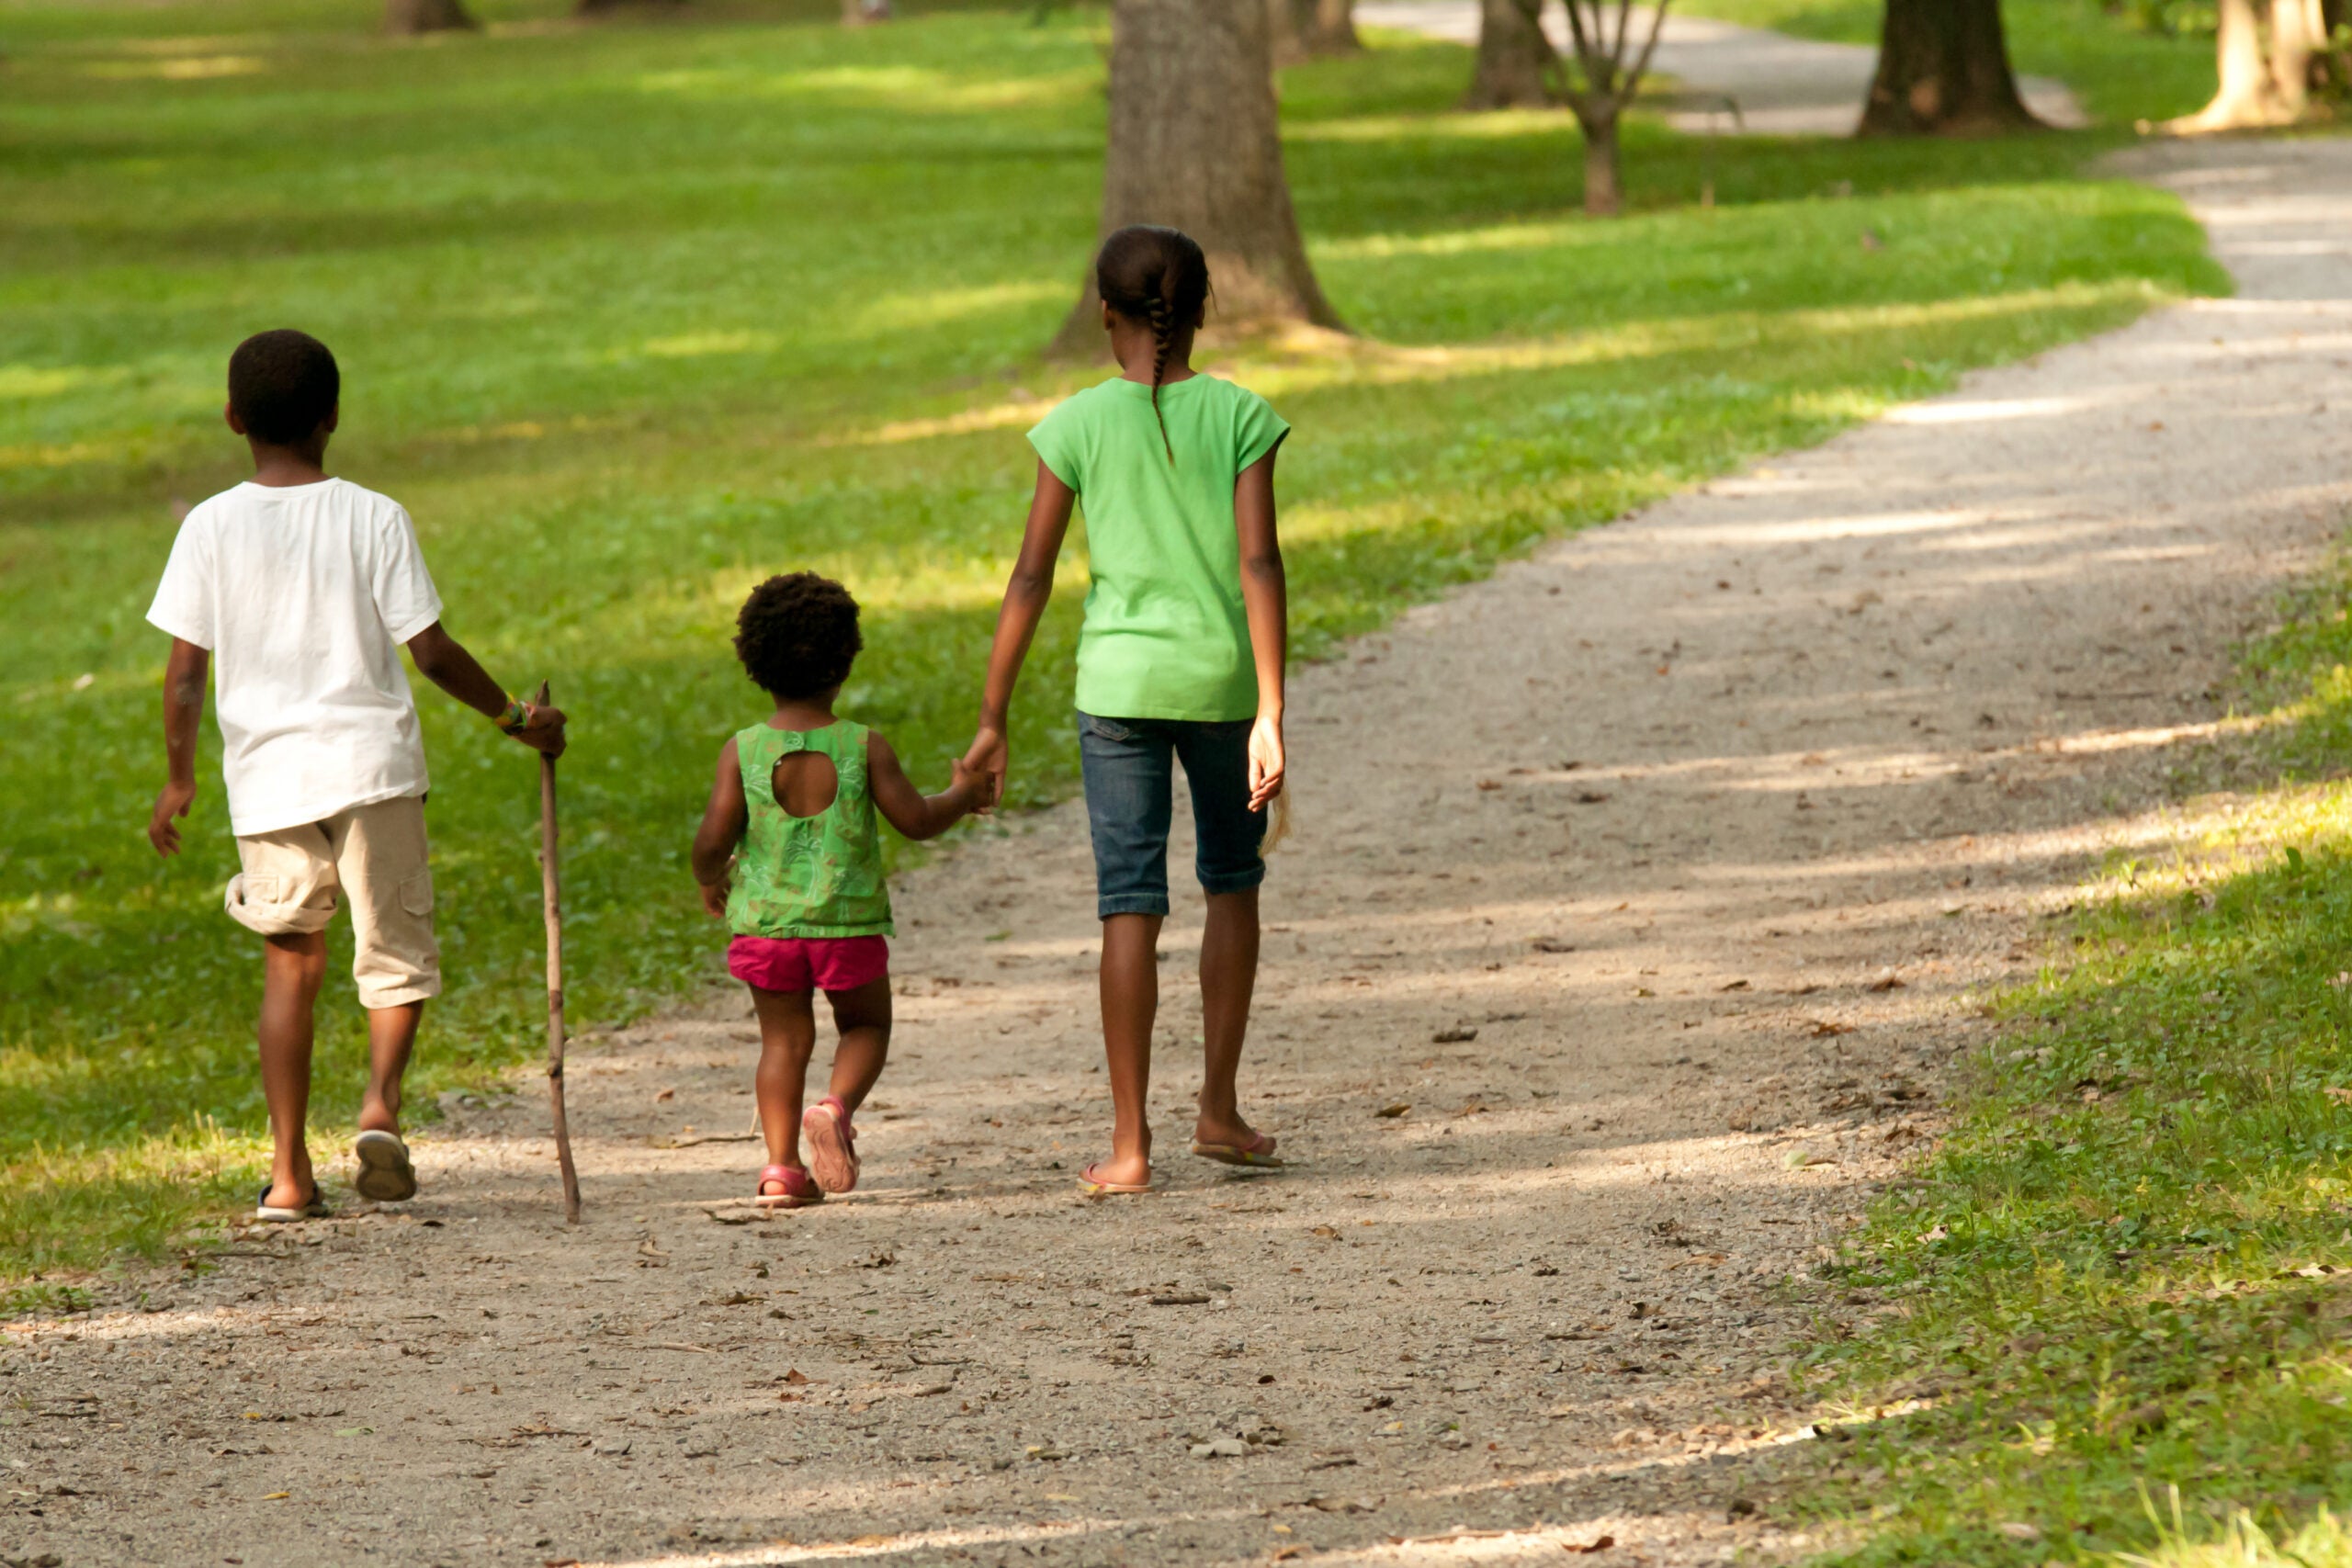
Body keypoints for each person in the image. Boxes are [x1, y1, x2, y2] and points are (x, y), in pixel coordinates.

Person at [145, 328, 567, 1223]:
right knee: (395, 957)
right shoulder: (374, 515)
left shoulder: (209, 527)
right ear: (334, 416)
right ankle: (379, 1103)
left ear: (231, 419)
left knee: (290, 968)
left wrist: (179, 777)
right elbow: (433, 651)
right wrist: (512, 719)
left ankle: (290, 1177)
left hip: (269, 781)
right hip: (373, 770)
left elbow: (186, 671)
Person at [963, 224, 1290, 1196]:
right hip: (1221, 687)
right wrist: (1272, 706)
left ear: (1104, 312)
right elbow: (1260, 562)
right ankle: (1219, 1112)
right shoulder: (1241, 414)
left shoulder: (1074, 424)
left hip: (1115, 690)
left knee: (1127, 905)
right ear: (1202, 313)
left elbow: (1030, 578)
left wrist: (993, 715)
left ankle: (1128, 1145)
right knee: (1231, 883)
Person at [691, 572, 987, 1207]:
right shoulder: (863, 746)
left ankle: (780, 1170)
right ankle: (835, 1105)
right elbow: (916, 819)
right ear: (846, 659)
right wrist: (961, 795)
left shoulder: (741, 752)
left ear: (753, 661)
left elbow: (713, 838)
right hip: (846, 926)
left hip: (768, 927)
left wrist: (709, 876)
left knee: (782, 1041)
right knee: (866, 1025)